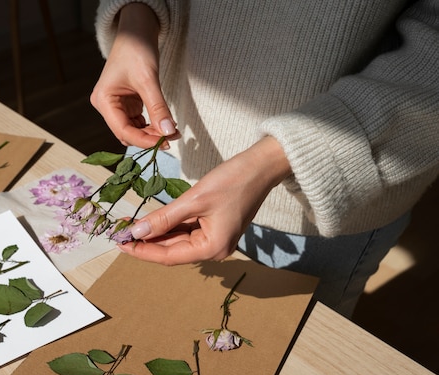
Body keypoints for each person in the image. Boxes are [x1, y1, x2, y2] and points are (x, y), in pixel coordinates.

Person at [90, 0, 439, 318]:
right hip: (167, 145)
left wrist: (274, 161)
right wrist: (136, 21)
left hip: (315, 193)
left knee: (273, 363)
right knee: (137, 315)